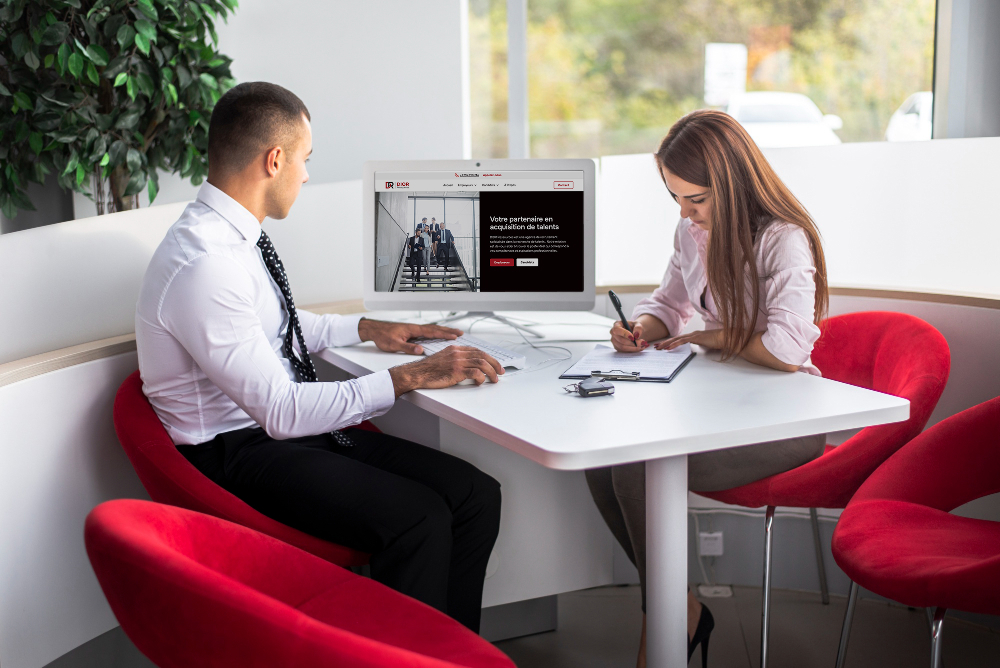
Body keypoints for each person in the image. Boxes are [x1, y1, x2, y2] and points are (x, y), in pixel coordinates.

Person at [135, 82, 506, 633]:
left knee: (475, 495)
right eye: (305, 160)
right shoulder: (204, 263)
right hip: (235, 451)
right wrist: (411, 376)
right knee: (420, 520)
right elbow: (282, 412)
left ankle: (452, 654)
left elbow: (274, 324)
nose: (306, 176)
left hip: (272, 434)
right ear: (275, 159)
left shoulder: (232, 238)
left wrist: (365, 327)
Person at [585, 109, 829, 668]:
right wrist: (640, 330)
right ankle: (679, 609)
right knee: (602, 464)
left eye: (695, 198)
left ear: (733, 181)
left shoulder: (783, 239)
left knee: (635, 469)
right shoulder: (691, 229)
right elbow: (670, 303)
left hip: (784, 423)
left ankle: (667, 622)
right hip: (719, 403)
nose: (684, 211)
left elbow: (787, 351)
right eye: (675, 197)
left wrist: (712, 334)